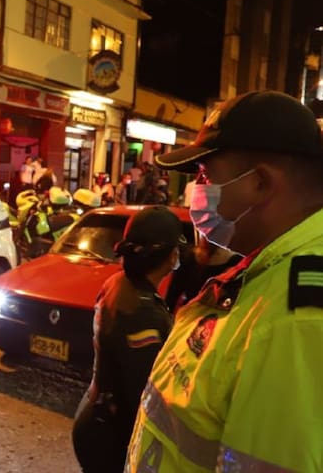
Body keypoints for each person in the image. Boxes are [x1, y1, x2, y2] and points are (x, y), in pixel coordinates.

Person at [125, 91, 323, 472]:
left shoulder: (296, 322)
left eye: (205, 175)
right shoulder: (270, 269)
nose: (197, 189)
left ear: (260, 183)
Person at [72, 206, 184, 473]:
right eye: (176, 249)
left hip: (95, 415)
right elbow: (140, 393)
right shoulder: (142, 312)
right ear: (168, 256)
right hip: (110, 434)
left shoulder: (118, 283)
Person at [164, 234, 242, 312]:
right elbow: (172, 296)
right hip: (190, 312)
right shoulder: (187, 257)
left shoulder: (234, 262)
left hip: (215, 314)